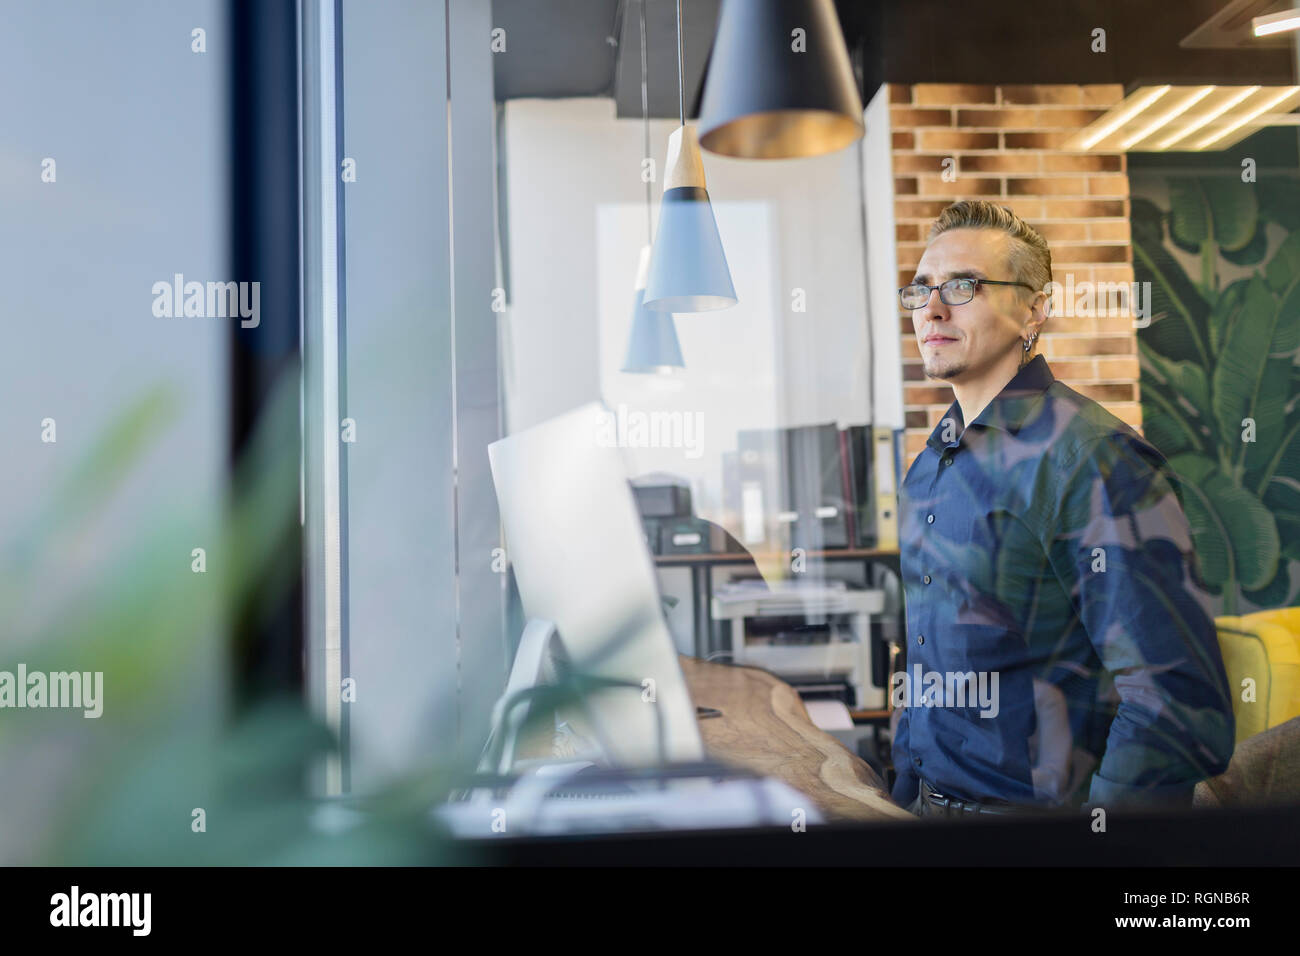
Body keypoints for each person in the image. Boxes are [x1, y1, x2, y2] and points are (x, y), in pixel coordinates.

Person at [890, 200, 1234, 818]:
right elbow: (919, 662)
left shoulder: (1096, 460)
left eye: (962, 286)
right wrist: (899, 799)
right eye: (920, 291)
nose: (932, 309)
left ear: (1034, 308)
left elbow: (1175, 703)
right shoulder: (928, 468)